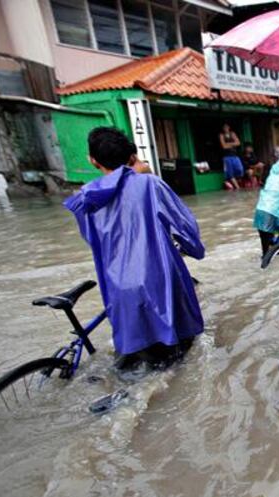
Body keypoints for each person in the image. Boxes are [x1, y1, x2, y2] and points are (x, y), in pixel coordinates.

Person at [64, 127, 205, 368]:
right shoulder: (150, 184)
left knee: (137, 363)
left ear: (93, 160)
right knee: (178, 363)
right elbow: (185, 226)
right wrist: (195, 250)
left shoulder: (85, 199)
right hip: (161, 284)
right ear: (130, 156)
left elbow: (94, 241)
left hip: (118, 289)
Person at [219, 123, 242, 190]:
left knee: (239, 170)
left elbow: (238, 143)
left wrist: (228, 144)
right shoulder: (221, 135)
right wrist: (233, 144)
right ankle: (237, 188)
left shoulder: (232, 133)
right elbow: (223, 146)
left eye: (227, 127)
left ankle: (232, 183)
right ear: (222, 128)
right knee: (230, 173)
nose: (226, 128)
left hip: (234, 155)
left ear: (229, 127)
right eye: (224, 127)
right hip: (227, 157)